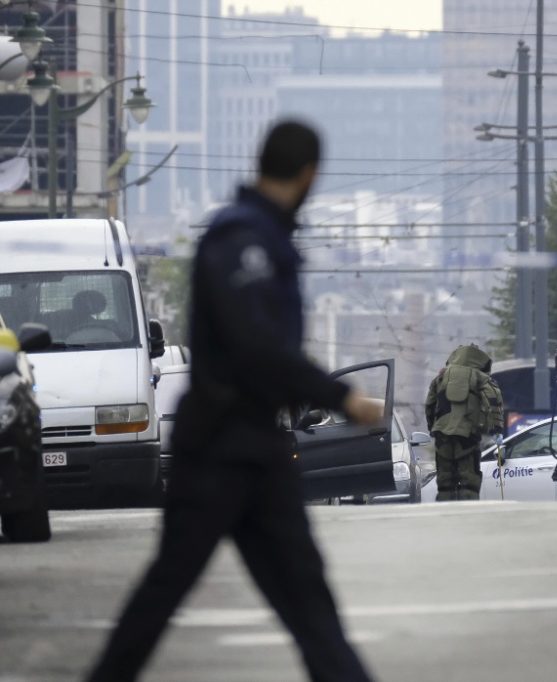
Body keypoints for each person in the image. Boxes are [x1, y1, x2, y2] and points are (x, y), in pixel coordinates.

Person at [86, 121, 382, 682]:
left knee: (307, 599)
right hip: (219, 449)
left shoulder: (261, 235)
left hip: (257, 448)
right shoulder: (243, 238)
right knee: (167, 590)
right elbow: (256, 346)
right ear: (308, 174)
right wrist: (342, 396)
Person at [425, 344, 504, 501]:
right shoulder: (481, 377)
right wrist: (496, 429)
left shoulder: (441, 377)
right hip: (468, 435)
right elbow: (493, 400)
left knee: (445, 479)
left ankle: (445, 514)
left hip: (442, 435)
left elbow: (429, 404)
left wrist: (432, 427)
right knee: (469, 479)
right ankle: (468, 514)